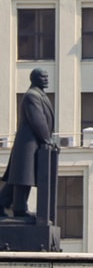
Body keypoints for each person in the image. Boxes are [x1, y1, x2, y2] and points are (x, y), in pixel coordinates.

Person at [0, 69, 56, 218]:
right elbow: (38, 120)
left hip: (34, 144)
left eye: (46, 76)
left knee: (21, 177)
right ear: (34, 79)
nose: (46, 79)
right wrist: (47, 139)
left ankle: (3, 203)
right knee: (23, 177)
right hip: (28, 144)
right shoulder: (32, 96)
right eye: (43, 77)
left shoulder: (40, 95)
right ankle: (19, 208)